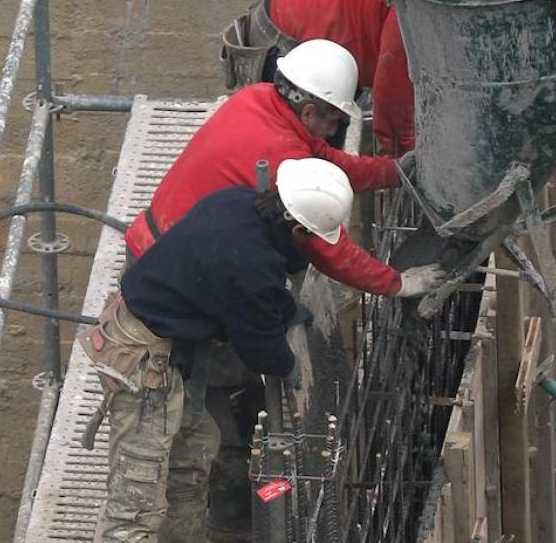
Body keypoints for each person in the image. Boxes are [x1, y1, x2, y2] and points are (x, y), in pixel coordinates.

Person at [81, 158, 357, 543]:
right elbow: (261, 350)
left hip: (174, 354)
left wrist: (285, 308)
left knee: (191, 462)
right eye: (311, 236)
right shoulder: (249, 261)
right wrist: (289, 364)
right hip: (143, 363)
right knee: (135, 504)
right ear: (296, 227)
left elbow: (257, 279)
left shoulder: (240, 203)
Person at [127, 38, 442, 298]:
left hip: (157, 241)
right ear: (308, 112)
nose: (334, 131)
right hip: (170, 275)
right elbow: (327, 247)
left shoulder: (258, 98)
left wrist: (393, 173)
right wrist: (397, 283)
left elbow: (326, 161)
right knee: (227, 366)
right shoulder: (280, 155)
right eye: (334, 120)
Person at [220, 0, 415, 157]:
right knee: (311, 172)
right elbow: (394, 95)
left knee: (324, 159)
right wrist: (403, 160)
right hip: (288, 47)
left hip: (311, 27)